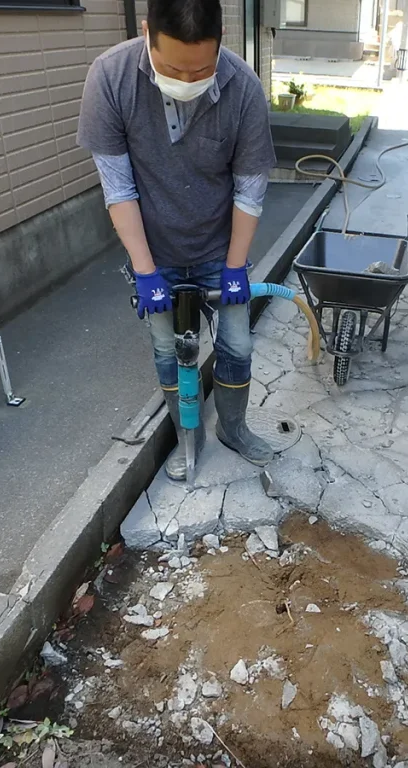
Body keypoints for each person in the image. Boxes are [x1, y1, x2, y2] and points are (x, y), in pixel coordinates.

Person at [76, 0, 276, 481]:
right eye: (172, 68)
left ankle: (234, 427)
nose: (187, 82)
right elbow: (118, 188)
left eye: (202, 69)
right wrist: (145, 273)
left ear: (222, 38)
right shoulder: (110, 78)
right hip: (156, 251)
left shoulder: (243, 87)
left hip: (218, 249)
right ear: (147, 32)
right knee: (169, 353)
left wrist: (234, 268)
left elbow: (250, 188)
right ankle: (191, 435)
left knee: (237, 346)